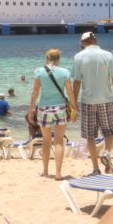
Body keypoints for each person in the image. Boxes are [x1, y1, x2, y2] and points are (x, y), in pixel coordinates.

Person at [72, 32, 113, 176]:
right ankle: (107, 152)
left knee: (90, 136)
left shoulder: (78, 57)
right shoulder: (107, 55)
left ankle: (96, 169)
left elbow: (76, 82)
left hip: (88, 102)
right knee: (110, 131)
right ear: (96, 40)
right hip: (106, 100)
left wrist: (74, 102)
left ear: (83, 43)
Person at [28, 48, 76, 180]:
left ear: (47, 58)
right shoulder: (65, 72)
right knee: (59, 141)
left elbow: (35, 93)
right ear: (59, 58)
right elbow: (70, 92)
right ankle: (59, 173)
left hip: (44, 109)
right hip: (60, 109)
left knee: (46, 141)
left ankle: (45, 170)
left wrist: (31, 110)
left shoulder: (39, 71)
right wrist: (75, 107)